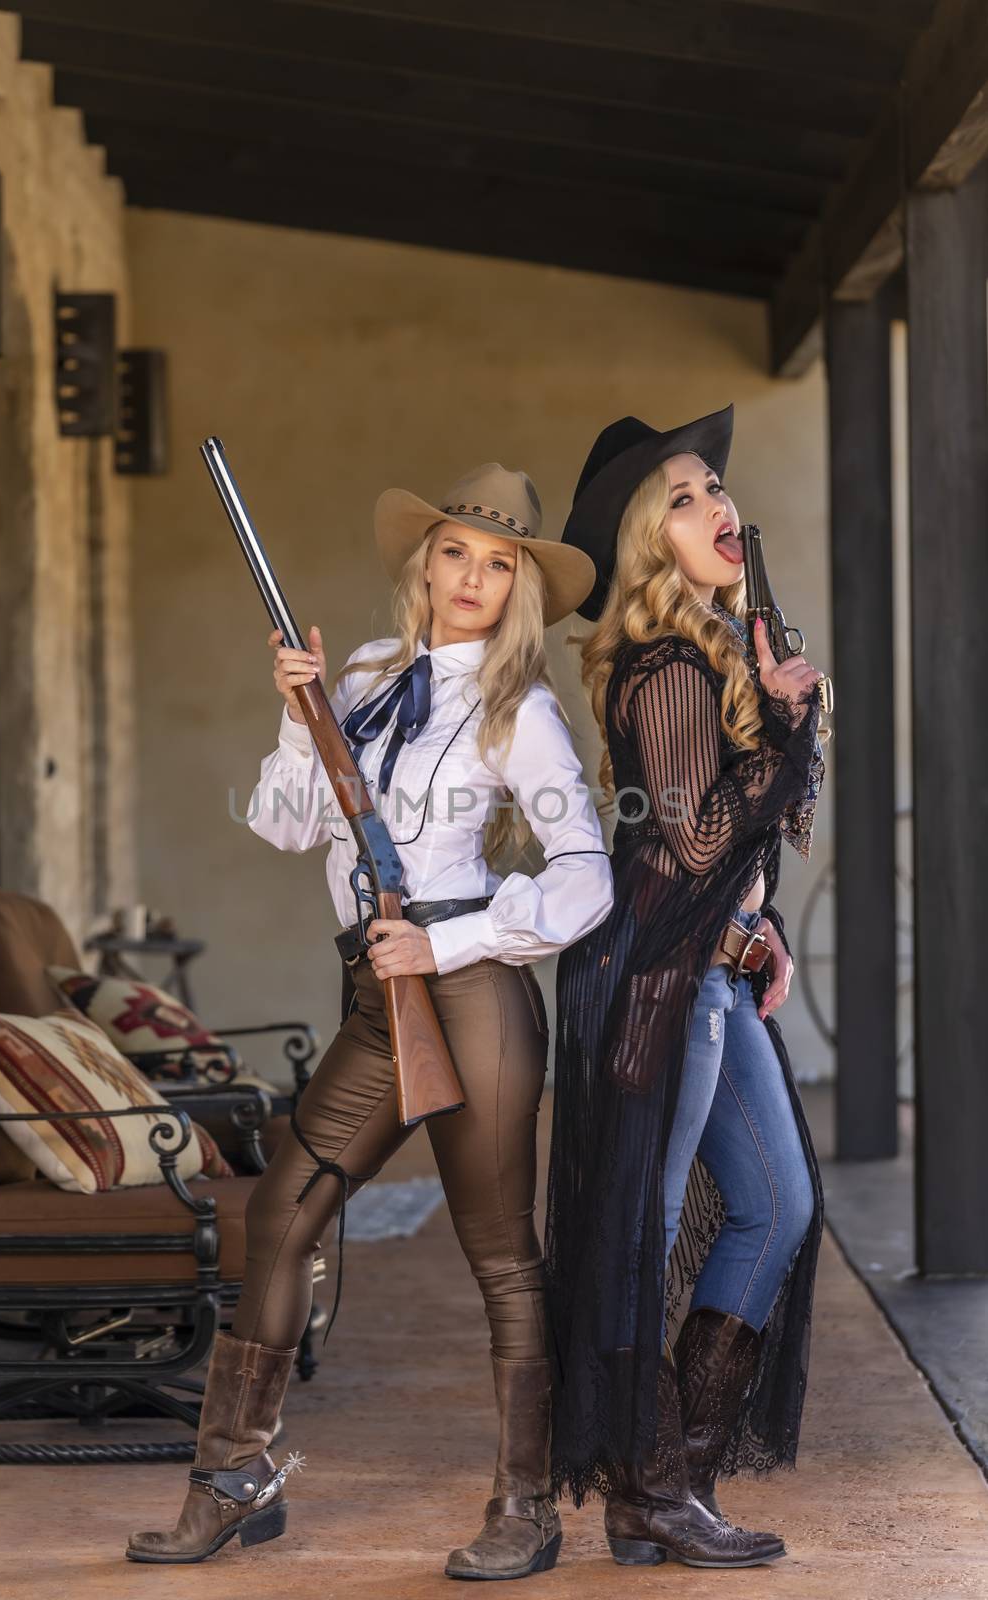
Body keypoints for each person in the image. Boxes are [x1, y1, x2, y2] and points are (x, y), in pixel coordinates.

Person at [127, 462, 613, 1579]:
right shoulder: (358, 674)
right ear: (424, 561)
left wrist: (444, 943)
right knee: (279, 1218)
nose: (472, 579)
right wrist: (300, 718)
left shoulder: (520, 709)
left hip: (472, 990)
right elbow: (288, 827)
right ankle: (234, 1480)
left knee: (499, 1255)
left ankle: (524, 1507)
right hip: (372, 997)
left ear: (517, 589)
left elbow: (586, 874)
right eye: (456, 553)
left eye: (498, 566)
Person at [546, 406, 826, 1569]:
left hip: (707, 973)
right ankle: (649, 1486)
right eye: (677, 497)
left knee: (776, 1208)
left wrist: (755, 934)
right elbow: (700, 841)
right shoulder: (664, 666)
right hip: (657, 985)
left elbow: (745, 857)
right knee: (642, 1227)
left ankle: (674, 1475)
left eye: (712, 485)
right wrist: (784, 727)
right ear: (641, 546)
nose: (714, 506)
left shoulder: (717, 657)